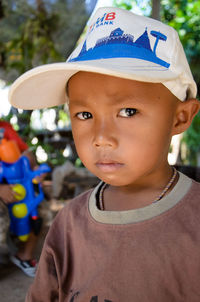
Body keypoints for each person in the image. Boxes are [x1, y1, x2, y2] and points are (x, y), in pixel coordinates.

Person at [9, 7, 200, 301]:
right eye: (84, 114)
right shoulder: (68, 224)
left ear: (181, 118)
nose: (101, 138)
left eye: (128, 111)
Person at [0, 120, 39, 277]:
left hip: (14, 183)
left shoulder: (4, 127)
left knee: (36, 208)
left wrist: (35, 170)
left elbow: (27, 155)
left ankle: (24, 255)